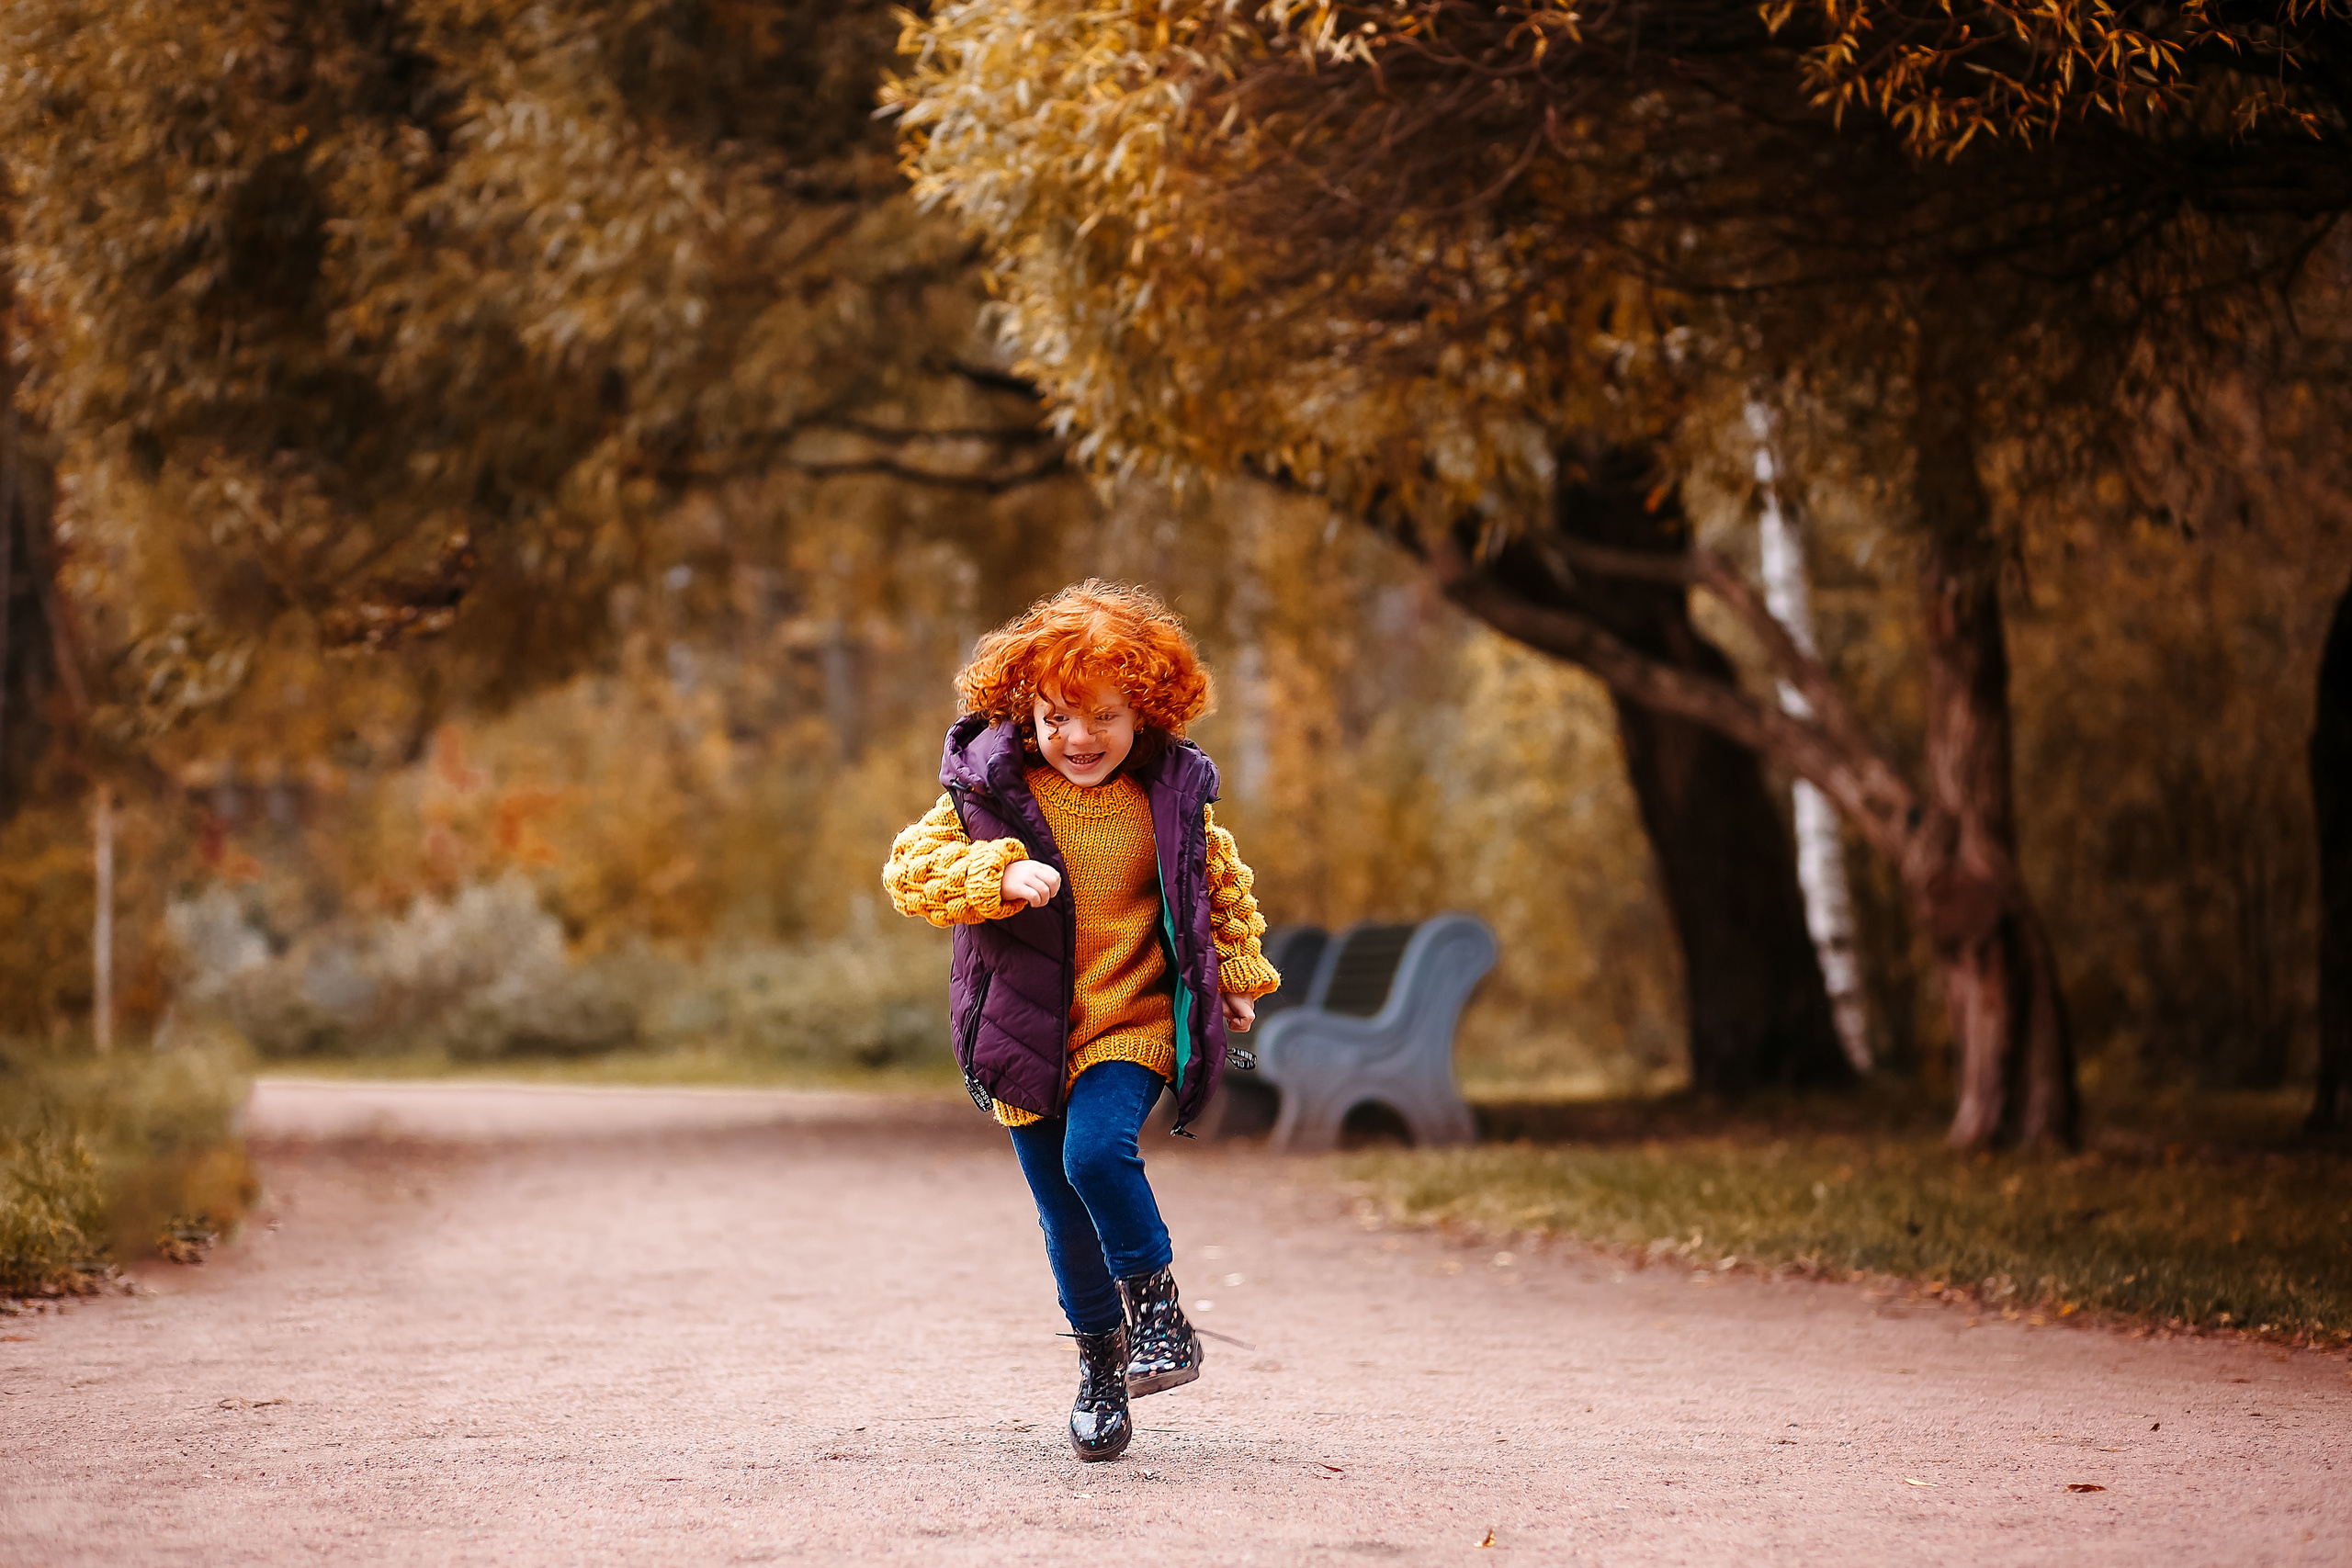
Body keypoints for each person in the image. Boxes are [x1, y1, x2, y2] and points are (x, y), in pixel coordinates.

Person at [882, 580, 1283, 1462]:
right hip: (1025, 1033)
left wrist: (1237, 975)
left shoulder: (1166, 798)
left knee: (1096, 1151)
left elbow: (1216, 882)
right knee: (1064, 1218)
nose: (1079, 738)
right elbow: (909, 871)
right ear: (1025, 710)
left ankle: (1159, 1314)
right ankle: (1102, 1366)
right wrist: (993, 875)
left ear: (1146, 710)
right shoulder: (991, 794)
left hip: (1128, 1018)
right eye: (1058, 715)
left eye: (1103, 715)